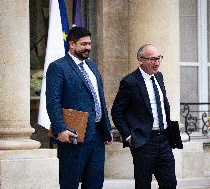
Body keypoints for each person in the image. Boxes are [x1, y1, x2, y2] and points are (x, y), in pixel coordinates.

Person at [46, 27, 113, 189]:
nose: (88, 47)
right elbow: (53, 101)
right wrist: (60, 129)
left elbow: (99, 99)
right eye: (83, 44)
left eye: (89, 44)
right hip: (73, 135)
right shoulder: (58, 67)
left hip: (97, 136)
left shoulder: (92, 66)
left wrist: (106, 129)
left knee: (95, 183)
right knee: (70, 182)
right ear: (72, 44)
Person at [111, 44, 179, 189]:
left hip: (164, 140)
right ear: (140, 59)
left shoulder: (159, 77)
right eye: (152, 59)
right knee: (143, 185)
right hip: (143, 141)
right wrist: (128, 137)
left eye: (159, 58)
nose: (157, 63)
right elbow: (116, 112)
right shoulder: (129, 82)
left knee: (170, 183)